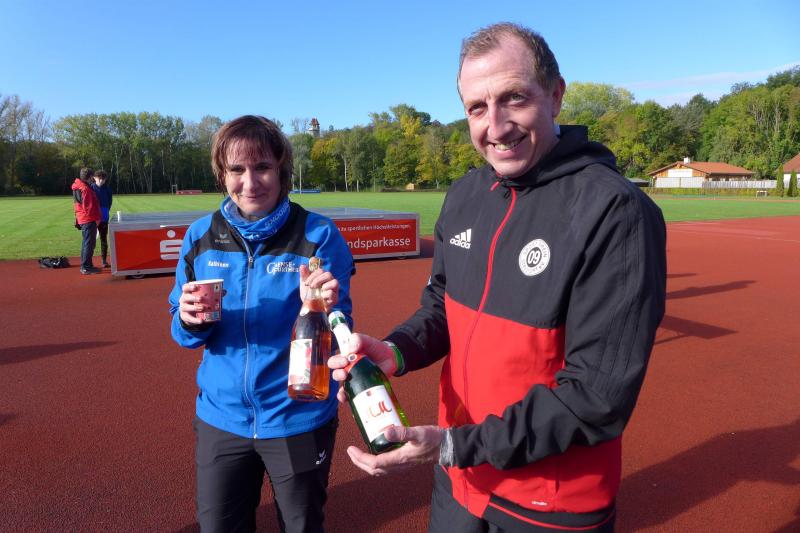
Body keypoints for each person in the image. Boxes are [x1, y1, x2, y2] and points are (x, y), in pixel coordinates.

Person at [329, 23, 666, 532]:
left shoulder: (615, 212)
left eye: (514, 98)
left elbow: (597, 397)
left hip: (550, 502)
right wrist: (396, 350)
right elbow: (442, 305)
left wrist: (453, 445)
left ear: (555, 95)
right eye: (477, 108)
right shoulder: (466, 194)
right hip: (460, 482)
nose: (497, 126)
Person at [168, 115, 355, 533]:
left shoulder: (318, 235)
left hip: (297, 418)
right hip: (222, 418)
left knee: (302, 526)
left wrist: (322, 309)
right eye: (237, 169)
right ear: (222, 174)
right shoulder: (200, 236)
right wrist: (188, 319)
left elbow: (341, 332)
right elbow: (182, 334)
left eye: (263, 167)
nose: (250, 182)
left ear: (282, 170)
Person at [71, 167, 102, 275]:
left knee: (86, 243)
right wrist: (96, 219)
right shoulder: (85, 189)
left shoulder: (79, 186)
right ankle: (86, 267)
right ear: (89, 177)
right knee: (89, 244)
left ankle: (86, 265)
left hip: (83, 218)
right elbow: (88, 207)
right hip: (88, 219)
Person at [90, 169, 113, 268]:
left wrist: (105, 212)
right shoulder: (90, 188)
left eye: (103, 179)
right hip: (93, 218)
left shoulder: (108, 189)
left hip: (104, 218)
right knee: (91, 240)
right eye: (99, 178)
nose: (101, 181)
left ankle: (104, 260)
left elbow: (109, 203)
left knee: (103, 239)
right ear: (94, 178)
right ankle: (88, 261)